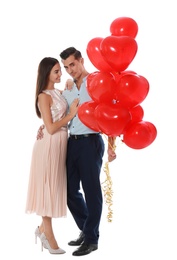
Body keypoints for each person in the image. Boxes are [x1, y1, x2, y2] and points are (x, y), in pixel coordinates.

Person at [37, 47, 116, 256]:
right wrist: (44, 127)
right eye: (65, 67)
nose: (70, 70)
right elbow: (55, 108)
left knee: (91, 190)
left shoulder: (97, 83)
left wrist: (111, 145)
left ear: (81, 60)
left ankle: (91, 239)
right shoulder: (69, 88)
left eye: (73, 64)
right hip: (71, 143)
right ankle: (86, 229)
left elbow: (110, 112)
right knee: (70, 191)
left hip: (91, 143)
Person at [25, 57, 79, 254]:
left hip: (60, 144)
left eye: (60, 70)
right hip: (49, 145)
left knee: (54, 186)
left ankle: (41, 230)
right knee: (47, 187)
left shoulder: (57, 93)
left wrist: (69, 83)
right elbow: (51, 127)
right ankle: (49, 236)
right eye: (56, 71)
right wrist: (71, 115)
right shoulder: (43, 96)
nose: (60, 74)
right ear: (46, 73)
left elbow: (69, 92)